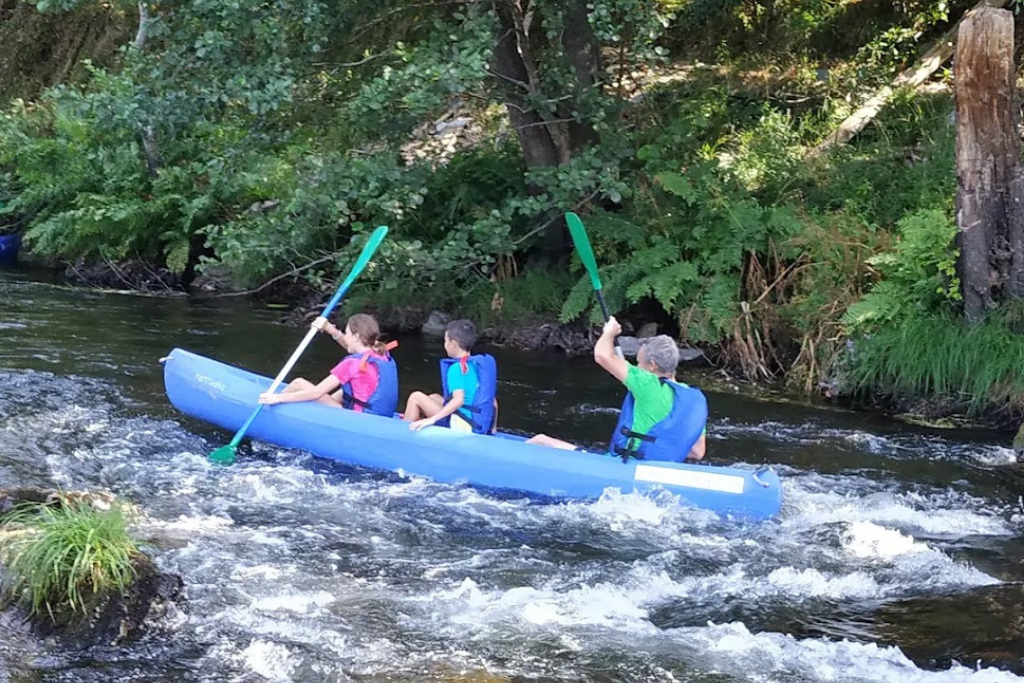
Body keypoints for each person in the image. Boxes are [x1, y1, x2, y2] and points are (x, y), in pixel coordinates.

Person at [526, 316, 707, 462]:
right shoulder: (693, 398)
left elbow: (602, 355)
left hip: (624, 467)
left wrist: (609, 333)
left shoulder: (647, 382)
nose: (637, 367)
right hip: (658, 473)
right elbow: (698, 452)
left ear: (652, 366)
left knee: (541, 441)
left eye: (639, 363)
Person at [258, 313, 399, 417]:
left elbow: (316, 392)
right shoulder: (382, 353)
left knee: (298, 383)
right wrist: (330, 329)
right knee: (342, 391)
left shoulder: (350, 363)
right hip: (377, 414)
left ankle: (272, 412)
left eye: (347, 333)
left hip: (357, 417)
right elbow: (354, 349)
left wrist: (277, 398)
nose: (345, 336)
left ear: (356, 337)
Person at [403, 319, 498, 433]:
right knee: (433, 397)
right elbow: (492, 400)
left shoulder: (456, 369)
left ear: (453, 343)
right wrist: (492, 428)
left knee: (416, 397)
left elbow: (458, 400)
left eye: (445, 341)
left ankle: (404, 434)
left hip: (463, 425)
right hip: (477, 422)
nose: (445, 345)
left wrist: (431, 420)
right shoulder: (476, 364)